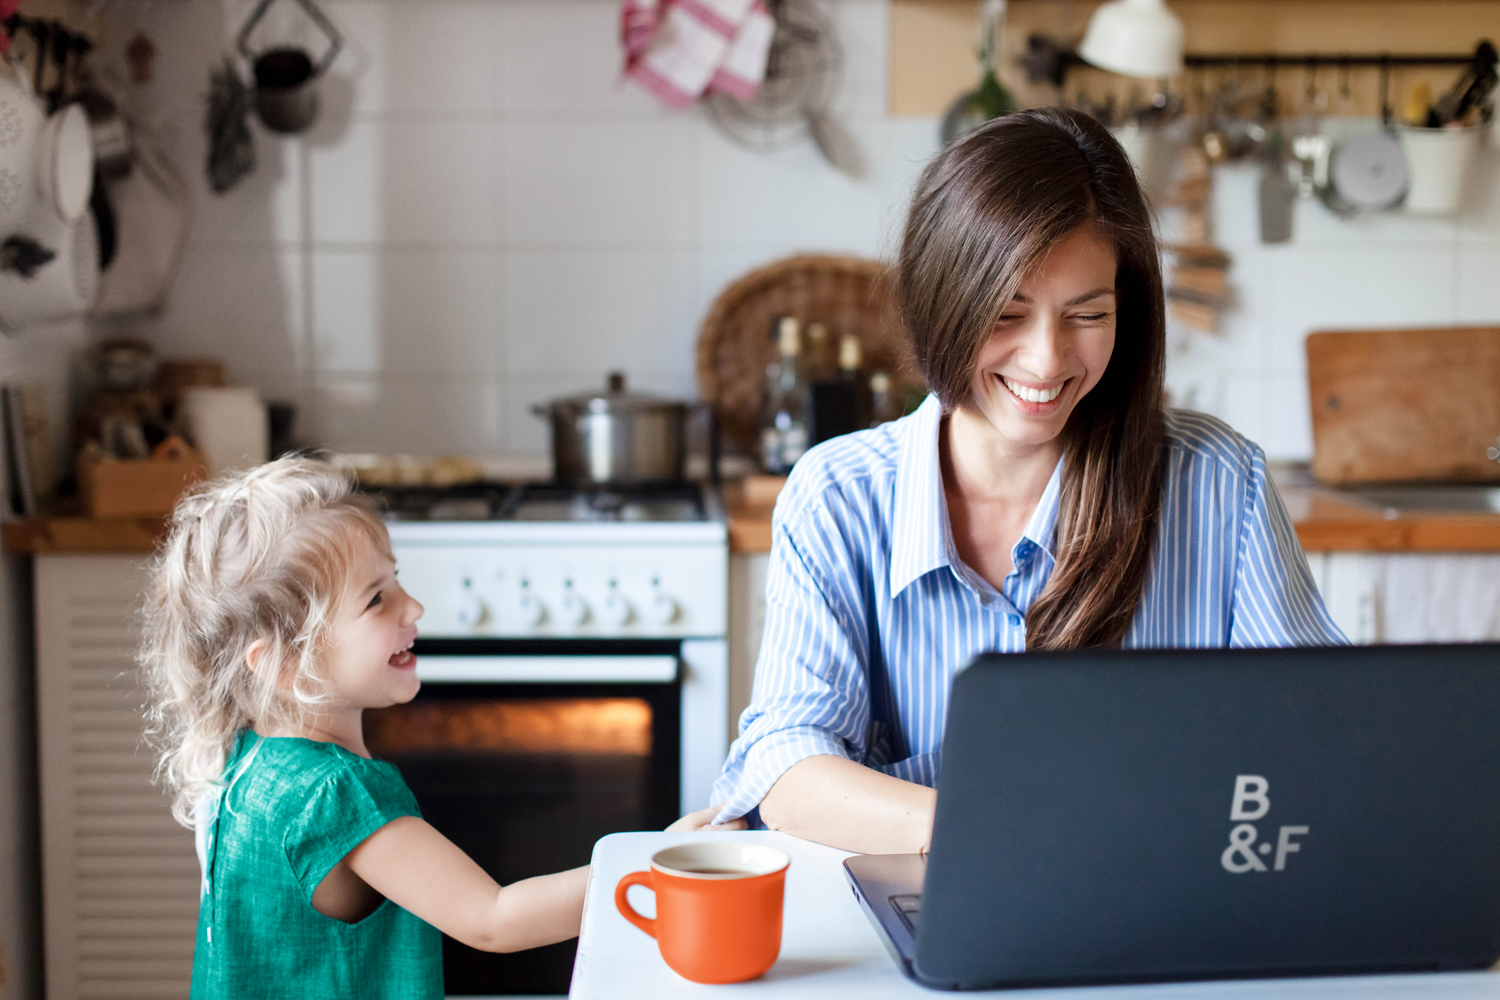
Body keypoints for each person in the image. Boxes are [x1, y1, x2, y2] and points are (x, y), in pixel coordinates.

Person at [709, 107, 1345, 855]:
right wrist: (1005, 830)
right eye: (1007, 314)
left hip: (1158, 913)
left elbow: (1318, 737)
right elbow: (789, 768)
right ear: (940, 301)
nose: (1047, 362)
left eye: (1088, 314)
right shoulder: (838, 496)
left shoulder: (1218, 485)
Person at [140, 458, 735, 999]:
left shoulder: (247, 765)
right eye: (377, 600)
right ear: (284, 662)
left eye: (395, 581)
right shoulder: (337, 797)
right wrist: (659, 863)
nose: (413, 607)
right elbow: (495, 919)